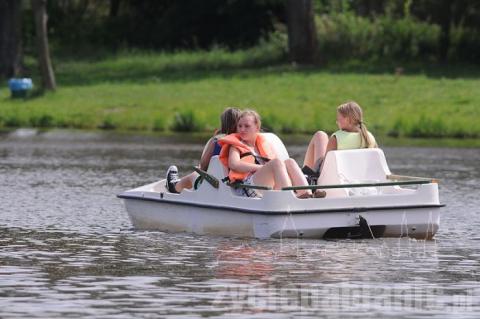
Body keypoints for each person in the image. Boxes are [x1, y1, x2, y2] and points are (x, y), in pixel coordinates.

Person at [218, 109, 322, 199]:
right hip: (247, 188)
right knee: (276, 163)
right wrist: (261, 167)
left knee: (289, 162)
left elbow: (280, 164)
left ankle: (306, 193)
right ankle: (289, 197)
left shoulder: (263, 144)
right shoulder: (235, 146)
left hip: (266, 185)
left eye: (247, 126)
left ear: (257, 128)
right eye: (239, 126)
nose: (242, 129)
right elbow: (234, 164)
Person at [166, 107, 241, 193]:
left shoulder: (216, 141)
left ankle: (174, 186)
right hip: (235, 185)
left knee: (194, 175)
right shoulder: (245, 143)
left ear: (223, 123)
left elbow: (203, 166)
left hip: (215, 186)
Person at [302, 101, 377, 183]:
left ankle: (306, 180)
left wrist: (318, 164)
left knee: (320, 135)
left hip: (329, 179)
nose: (336, 122)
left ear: (347, 120)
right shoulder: (370, 138)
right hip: (359, 177)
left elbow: (325, 168)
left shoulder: (336, 138)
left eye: (338, 119)